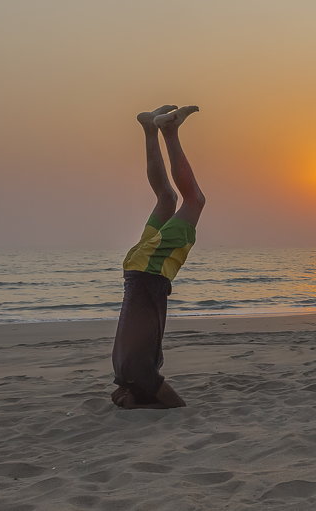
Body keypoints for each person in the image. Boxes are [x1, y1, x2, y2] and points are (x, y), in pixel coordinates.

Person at [110, 104, 205, 409]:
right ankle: (152, 129)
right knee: (172, 197)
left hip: (149, 268)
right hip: (137, 268)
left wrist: (157, 400)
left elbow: (173, 403)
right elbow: (125, 395)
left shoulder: (140, 375)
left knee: (193, 199)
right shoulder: (123, 371)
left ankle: (167, 130)